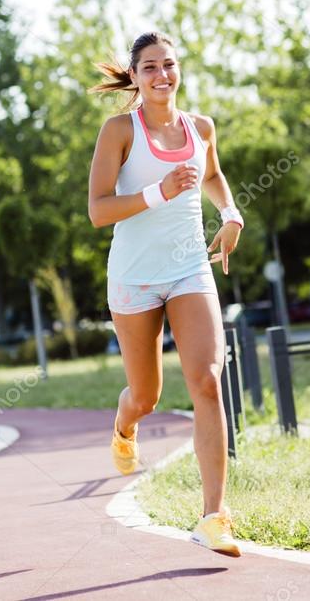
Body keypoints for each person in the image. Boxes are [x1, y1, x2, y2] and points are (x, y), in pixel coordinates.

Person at [88, 32, 245, 556]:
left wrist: (230, 212)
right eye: (150, 67)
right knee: (146, 396)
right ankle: (124, 422)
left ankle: (213, 517)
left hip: (189, 270)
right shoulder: (119, 131)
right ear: (134, 76)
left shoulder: (201, 128)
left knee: (206, 380)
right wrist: (161, 191)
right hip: (133, 277)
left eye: (169, 65)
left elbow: (215, 176)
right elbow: (98, 211)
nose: (162, 75)